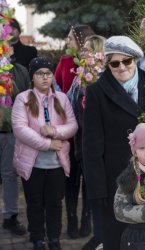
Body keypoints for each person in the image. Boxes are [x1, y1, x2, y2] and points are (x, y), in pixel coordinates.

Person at [82, 36, 145, 250]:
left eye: (127, 61)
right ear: (107, 64)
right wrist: (97, 191)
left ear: (135, 60)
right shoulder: (96, 92)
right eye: (114, 63)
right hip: (115, 182)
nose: (122, 67)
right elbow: (91, 146)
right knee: (117, 240)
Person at [11, 57, 78, 250]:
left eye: (48, 73)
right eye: (39, 73)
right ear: (32, 77)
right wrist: (48, 144)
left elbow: (72, 125)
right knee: (34, 202)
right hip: (32, 163)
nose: (45, 77)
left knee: (55, 203)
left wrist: (55, 132)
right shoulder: (23, 99)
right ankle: (38, 238)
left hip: (57, 163)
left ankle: (54, 238)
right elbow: (20, 129)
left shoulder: (62, 98)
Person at [66, 34, 106, 239]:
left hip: (95, 141)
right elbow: (68, 102)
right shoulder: (79, 76)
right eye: (84, 49)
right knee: (71, 182)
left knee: (89, 183)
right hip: (75, 137)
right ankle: (72, 220)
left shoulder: (107, 77)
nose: (84, 52)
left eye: (89, 49)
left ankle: (86, 222)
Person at [1, 61, 30, 236]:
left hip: (10, 132)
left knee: (10, 176)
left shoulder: (19, 70)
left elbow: (26, 98)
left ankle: (10, 217)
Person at [55, 24, 95, 93]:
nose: (67, 42)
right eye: (67, 38)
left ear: (81, 40)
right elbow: (55, 86)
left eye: (70, 39)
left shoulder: (96, 61)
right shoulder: (65, 61)